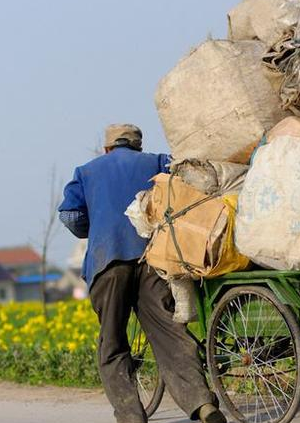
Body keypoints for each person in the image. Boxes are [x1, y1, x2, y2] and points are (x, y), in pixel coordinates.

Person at [59, 124, 226, 423]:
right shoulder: (158, 161)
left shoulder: (86, 171)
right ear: (137, 146)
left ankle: (131, 415)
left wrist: (93, 228)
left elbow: (70, 216)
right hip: (153, 259)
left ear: (107, 148)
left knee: (112, 343)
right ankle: (203, 404)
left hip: (107, 261)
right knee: (169, 332)